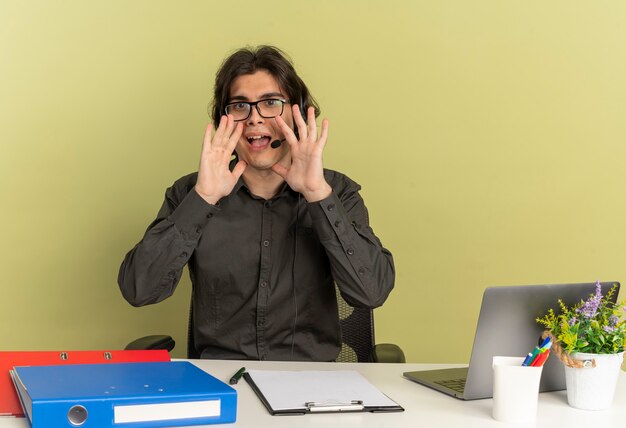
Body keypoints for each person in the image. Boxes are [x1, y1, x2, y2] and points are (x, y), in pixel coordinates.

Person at [118, 45, 395, 361]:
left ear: (297, 112)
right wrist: (203, 199)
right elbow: (139, 290)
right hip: (223, 381)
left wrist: (318, 195)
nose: (254, 118)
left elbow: (371, 292)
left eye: (270, 103)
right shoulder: (191, 193)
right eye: (239, 106)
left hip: (311, 382)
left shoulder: (337, 191)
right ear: (224, 120)